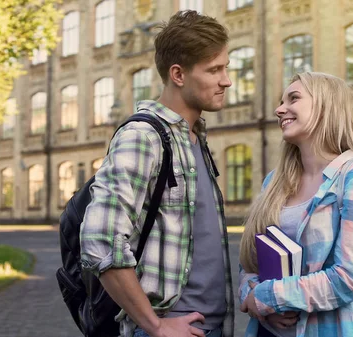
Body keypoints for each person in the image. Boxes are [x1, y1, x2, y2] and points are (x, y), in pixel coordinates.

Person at [80, 10, 234, 337]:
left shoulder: (195, 138)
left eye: (226, 68)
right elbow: (101, 239)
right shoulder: (144, 137)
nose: (227, 80)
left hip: (209, 327)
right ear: (178, 74)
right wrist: (156, 325)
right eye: (214, 70)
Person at [238, 72, 353, 337]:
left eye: (293, 98)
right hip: (268, 331)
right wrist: (251, 296)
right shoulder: (273, 182)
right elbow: (250, 263)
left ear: (326, 106)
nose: (279, 109)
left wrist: (268, 297)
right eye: (280, 101)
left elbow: (346, 280)